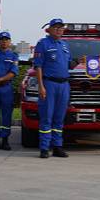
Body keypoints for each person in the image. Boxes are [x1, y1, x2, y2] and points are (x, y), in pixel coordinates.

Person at [33, 18, 78, 158]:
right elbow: (38, 66)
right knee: (47, 117)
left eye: (61, 27)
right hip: (49, 84)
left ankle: (57, 146)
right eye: (56, 27)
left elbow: (69, 65)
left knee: (59, 118)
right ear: (49, 29)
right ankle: (45, 148)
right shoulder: (43, 44)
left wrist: (79, 62)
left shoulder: (64, 45)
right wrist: (41, 86)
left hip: (64, 85)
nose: (59, 30)